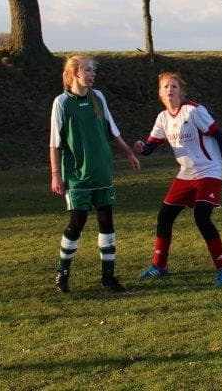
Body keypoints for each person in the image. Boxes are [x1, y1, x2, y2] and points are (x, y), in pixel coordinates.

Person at [133, 72, 222, 288]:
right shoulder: (162, 118)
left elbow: (219, 136)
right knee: (164, 216)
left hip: (209, 170)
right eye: (165, 87)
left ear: (181, 91)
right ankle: (159, 265)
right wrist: (142, 147)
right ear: (160, 93)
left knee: (202, 217)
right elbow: (152, 145)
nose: (170, 90)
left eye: (174, 86)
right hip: (186, 173)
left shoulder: (194, 110)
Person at [49, 55, 141, 293]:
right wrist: (55, 175)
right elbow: (54, 143)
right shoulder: (61, 103)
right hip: (77, 177)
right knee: (77, 223)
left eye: (93, 70)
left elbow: (112, 130)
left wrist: (129, 153)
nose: (93, 74)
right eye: (88, 70)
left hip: (102, 172)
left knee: (107, 222)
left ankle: (108, 278)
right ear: (75, 74)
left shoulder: (98, 97)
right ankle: (63, 272)